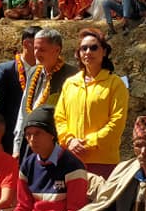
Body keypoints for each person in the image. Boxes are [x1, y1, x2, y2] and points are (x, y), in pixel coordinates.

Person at [54, 28, 128, 179]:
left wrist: (88, 142)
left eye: (94, 47)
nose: (88, 52)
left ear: (105, 52)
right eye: (83, 48)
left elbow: (117, 122)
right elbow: (59, 117)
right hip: (71, 159)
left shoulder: (115, 84)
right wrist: (69, 140)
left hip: (103, 162)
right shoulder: (70, 83)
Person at [13, 28, 79, 159]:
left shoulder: (72, 76)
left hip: (56, 146)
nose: (36, 53)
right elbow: (23, 111)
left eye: (42, 49)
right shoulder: (33, 72)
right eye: (35, 48)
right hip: (29, 144)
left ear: (57, 50)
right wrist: (17, 145)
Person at [0, 27, 40, 154]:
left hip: (38, 138)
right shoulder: (6, 70)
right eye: (38, 45)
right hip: (9, 139)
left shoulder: (45, 71)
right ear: (26, 44)